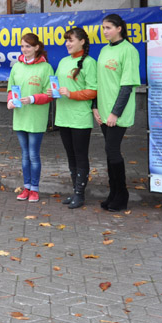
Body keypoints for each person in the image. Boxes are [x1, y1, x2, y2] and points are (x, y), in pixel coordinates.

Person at [93, 13, 141, 212]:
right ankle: (113, 192)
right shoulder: (104, 50)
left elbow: (127, 85)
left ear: (119, 28)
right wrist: (95, 107)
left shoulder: (129, 50)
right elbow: (98, 82)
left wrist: (115, 113)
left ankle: (122, 195)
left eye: (108, 28)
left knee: (112, 151)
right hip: (103, 110)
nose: (104, 31)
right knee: (108, 152)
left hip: (116, 113)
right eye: (103, 28)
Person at [7, 33, 53, 203]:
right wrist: (10, 100)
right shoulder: (17, 66)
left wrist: (33, 99)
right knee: (25, 154)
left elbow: (50, 95)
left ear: (36, 48)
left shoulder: (45, 68)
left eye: (28, 46)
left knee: (33, 154)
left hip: (36, 117)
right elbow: (11, 88)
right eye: (22, 46)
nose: (24, 49)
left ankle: (35, 189)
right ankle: (26, 188)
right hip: (20, 116)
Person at [55, 27, 97, 209]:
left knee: (80, 156)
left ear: (82, 42)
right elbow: (58, 85)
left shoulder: (89, 62)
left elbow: (93, 90)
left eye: (71, 40)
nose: (67, 44)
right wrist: (54, 91)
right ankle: (74, 191)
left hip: (80, 117)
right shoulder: (64, 61)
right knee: (70, 156)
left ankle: (80, 194)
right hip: (63, 116)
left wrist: (71, 94)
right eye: (66, 40)